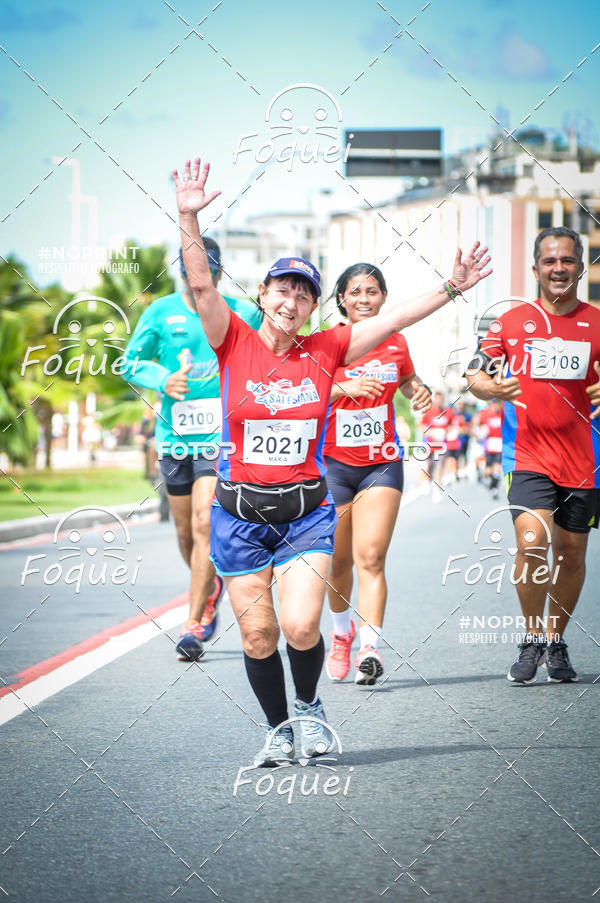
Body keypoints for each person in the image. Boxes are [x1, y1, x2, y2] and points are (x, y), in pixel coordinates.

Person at [174, 156, 491, 765]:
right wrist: (189, 215)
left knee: (298, 626)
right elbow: (203, 284)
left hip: (304, 515)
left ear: (314, 307)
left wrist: (453, 286)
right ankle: (278, 727)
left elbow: (395, 317)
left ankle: (312, 710)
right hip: (240, 517)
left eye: (304, 294)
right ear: (263, 295)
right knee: (258, 633)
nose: (292, 301)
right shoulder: (230, 339)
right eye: (283, 289)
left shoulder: (328, 347)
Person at [467, 226, 600, 683]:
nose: (558, 268)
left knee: (571, 553)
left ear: (581, 266)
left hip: (586, 459)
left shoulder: (597, 322)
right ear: (535, 269)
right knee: (532, 543)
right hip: (526, 456)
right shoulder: (509, 322)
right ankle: (531, 637)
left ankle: (557, 641)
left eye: (567, 260)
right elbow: (477, 375)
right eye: (549, 261)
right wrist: (488, 386)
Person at [122, 237, 262, 660]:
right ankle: (212, 583)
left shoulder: (243, 311)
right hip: (174, 438)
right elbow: (128, 361)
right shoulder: (160, 312)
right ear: (179, 270)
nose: (200, 276)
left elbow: (272, 350)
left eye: (209, 269)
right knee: (185, 533)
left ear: (219, 270)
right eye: (190, 269)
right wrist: (162, 379)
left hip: (221, 437)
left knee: (204, 523)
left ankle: (194, 624)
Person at [321, 263, 432, 686]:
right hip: (333, 464)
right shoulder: (327, 343)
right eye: (355, 291)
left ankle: (370, 646)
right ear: (342, 299)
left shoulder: (396, 342)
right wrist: (342, 389)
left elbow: (406, 381)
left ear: (384, 297)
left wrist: (417, 389)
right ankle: (341, 633)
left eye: (372, 291)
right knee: (337, 562)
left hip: (382, 461)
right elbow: (306, 390)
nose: (364, 298)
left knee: (371, 556)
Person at [421, 391, 451, 501]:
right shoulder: (429, 412)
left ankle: (437, 491)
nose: (439, 401)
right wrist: (431, 433)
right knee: (429, 467)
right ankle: (427, 481)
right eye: (437, 399)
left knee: (439, 468)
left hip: (442, 446)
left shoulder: (448, 412)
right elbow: (422, 427)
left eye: (441, 399)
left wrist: (448, 432)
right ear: (434, 400)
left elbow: (452, 426)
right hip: (430, 445)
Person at [477, 399, 503, 498]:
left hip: (500, 443)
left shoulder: (502, 414)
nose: (496, 406)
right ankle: (487, 479)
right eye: (494, 404)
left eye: (497, 403)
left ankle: (494, 488)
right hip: (489, 443)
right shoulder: (485, 414)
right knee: (488, 470)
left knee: (497, 466)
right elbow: (479, 425)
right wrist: (481, 432)